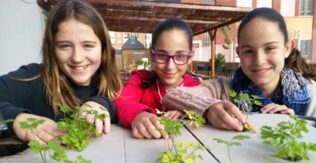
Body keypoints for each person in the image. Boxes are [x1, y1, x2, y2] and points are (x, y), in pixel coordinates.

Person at [162, 7, 316, 131]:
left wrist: (297, 121)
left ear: (287, 48)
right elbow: (172, 95)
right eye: (249, 51)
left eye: (270, 48)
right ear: (238, 53)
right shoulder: (223, 89)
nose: (259, 60)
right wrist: (209, 108)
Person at [0, 0, 121, 143]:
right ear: (51, 48)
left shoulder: (110, 86)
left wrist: (103, 103)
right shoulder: (33, 78)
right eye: (65, 46)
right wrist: (15, 119)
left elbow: (120, 112)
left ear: (103, 48)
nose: (77, 58)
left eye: (88, 45)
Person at [114, 18, 200, 139]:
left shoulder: (197, 88)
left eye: (180, 56)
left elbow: (207, 110)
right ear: (152, 55)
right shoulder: (141, 79)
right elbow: (120, 101)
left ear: (191, 56)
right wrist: (139, 115)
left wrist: (187, 113)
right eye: (162, 55)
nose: (170, 66)